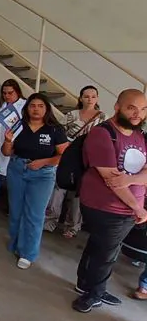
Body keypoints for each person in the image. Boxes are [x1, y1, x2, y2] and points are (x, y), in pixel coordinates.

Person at [72, 89, 147, 313]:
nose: (137, 114)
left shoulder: (140, 136)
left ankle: (84, 285)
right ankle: (94, 294)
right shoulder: (102, 134)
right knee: (106, 253)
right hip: (106, 206)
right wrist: (138, 208)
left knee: (98, 246)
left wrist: (132, 179)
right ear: (117, 106)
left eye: (143, 110)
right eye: (131, 108)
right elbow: (111, 180)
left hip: (128, 207)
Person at [1, 93, 68, 269]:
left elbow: (63, 155)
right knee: (15, 210)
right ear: (27, 108)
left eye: (40, 106)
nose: (36, 109)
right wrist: (8, 140)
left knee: (34, 214)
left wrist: (43, 162)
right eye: (32, 106)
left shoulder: (55, 129)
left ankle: (28, 253)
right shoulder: (18, 126)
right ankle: (15, 243)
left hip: (42, 175)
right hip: (17, 169)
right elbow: (7, 152)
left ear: (46, 109)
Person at [44, 85, 106, 237]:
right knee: (59, 188)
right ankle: (49, 221)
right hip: (68, 155)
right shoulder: (72, 115)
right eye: (86, 96)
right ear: (80, 98)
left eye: (93, 96)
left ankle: (72, 226)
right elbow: (58, 131)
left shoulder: (102, 117)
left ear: (97, 98)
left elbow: (101, 139)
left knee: (79, 192)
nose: (90, 99)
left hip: (86, 158)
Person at [0, 79, 27, 213]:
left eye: (10, 93)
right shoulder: (1, 103)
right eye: (4, 93)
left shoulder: (24, 105)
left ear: (17, 92)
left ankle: (12, 205)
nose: (7, 96)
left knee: (12, 177)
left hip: (13, 144)